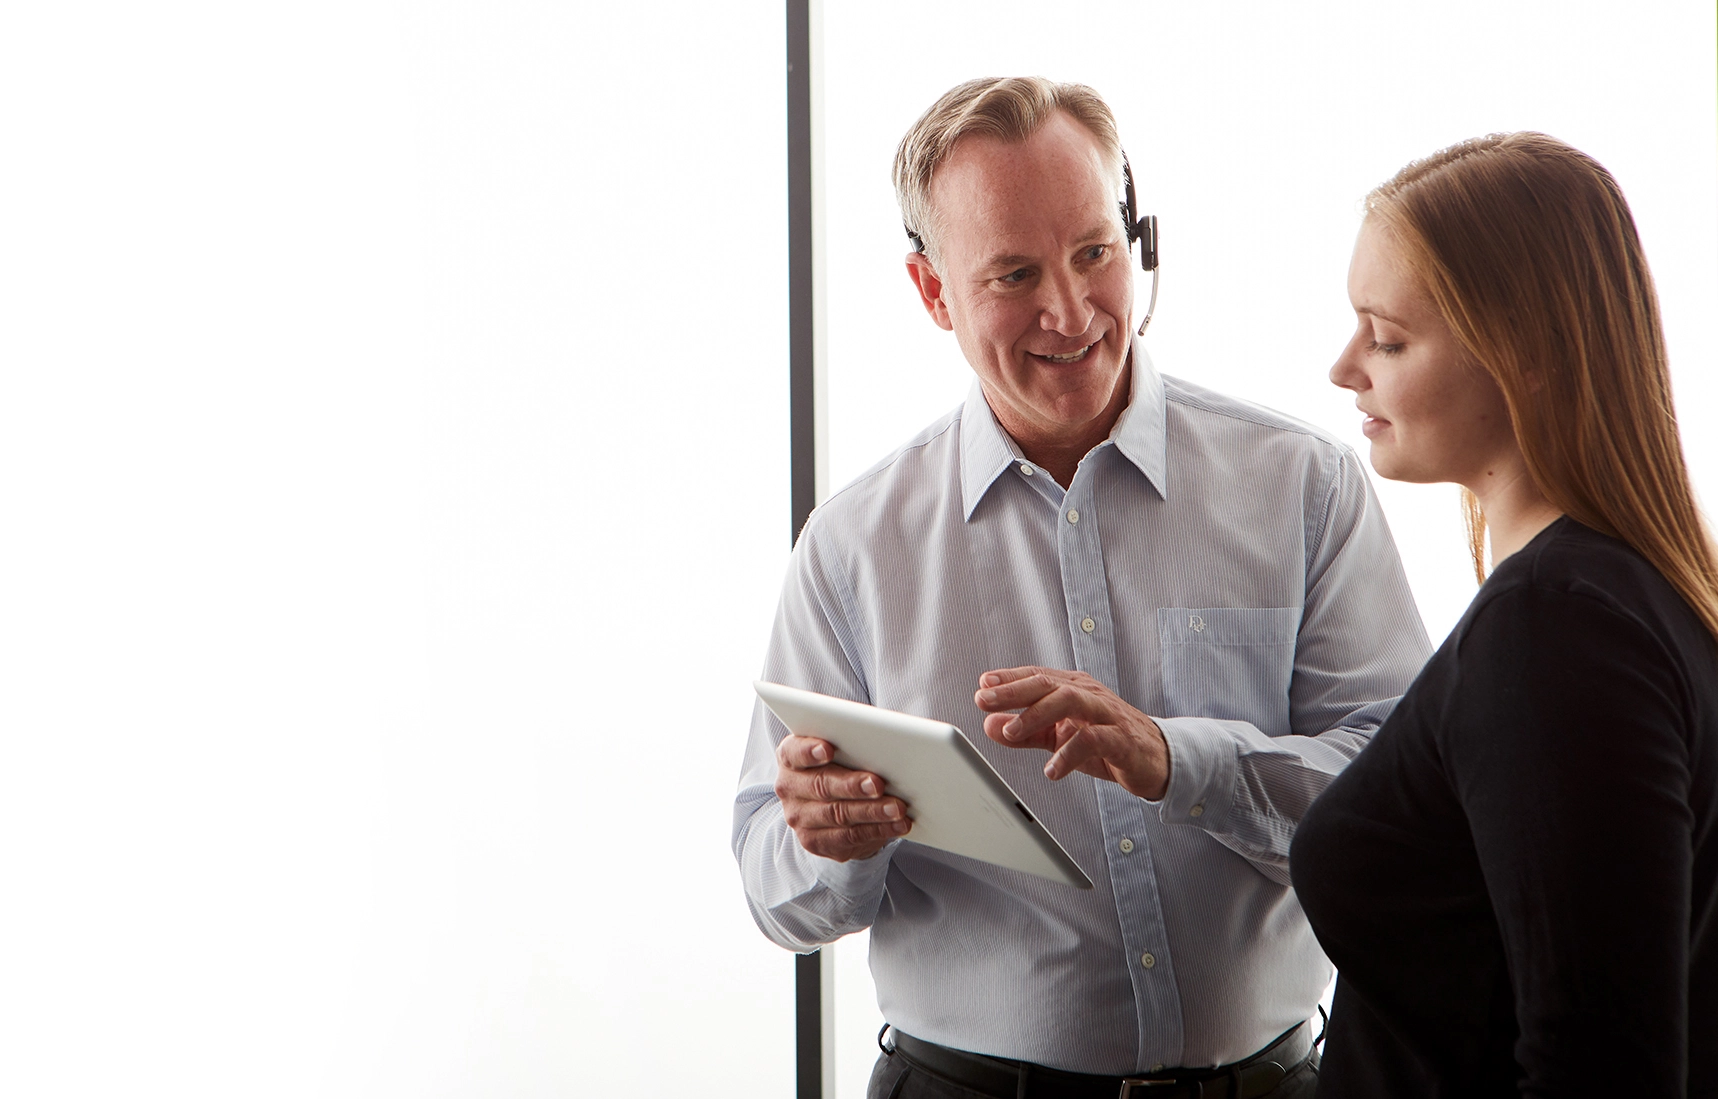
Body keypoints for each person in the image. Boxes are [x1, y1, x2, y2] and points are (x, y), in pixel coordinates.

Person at [732, 76, 1433, 1099]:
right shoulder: (851, 546)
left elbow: (1403, 813)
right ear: (933, 294)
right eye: (1014, 273)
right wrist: (829, 842)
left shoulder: (1302, 486)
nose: (1070, 310)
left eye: (1095, 253)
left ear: (1139, 240)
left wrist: (1171, 758)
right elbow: (773, 888)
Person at [1288, 132, 1718, 1097]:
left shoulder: (1557, 631)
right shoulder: (1621, 597)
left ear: (1522, 352)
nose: (1344, 367)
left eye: (1387, 336)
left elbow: (1595, 1067)